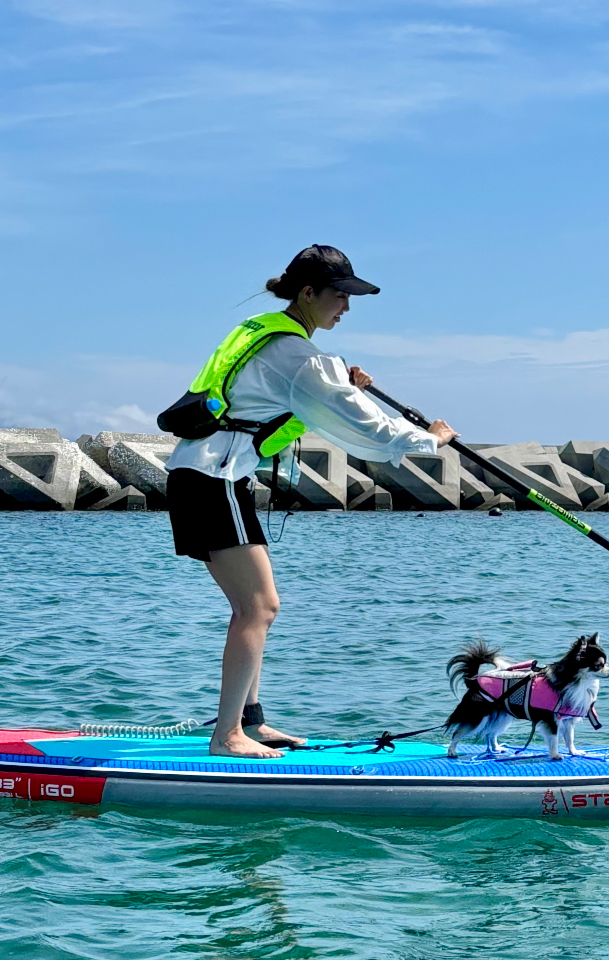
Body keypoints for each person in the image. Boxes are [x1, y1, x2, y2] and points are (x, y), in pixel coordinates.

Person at [162, 245, 458, 759]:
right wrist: (428, 439)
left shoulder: (265, 333)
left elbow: (288, 407)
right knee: (259, 606)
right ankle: (227, 735)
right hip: (213, 477)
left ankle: (250, 723)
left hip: (207, 473)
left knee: (253, 606)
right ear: (307, 293)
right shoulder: (297, 354)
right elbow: (365, 429)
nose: (346, 307)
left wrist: (344, 384)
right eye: (340, 295)